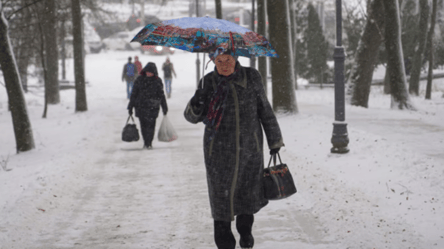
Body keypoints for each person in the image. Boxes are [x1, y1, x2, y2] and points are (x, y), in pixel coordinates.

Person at [183, 47, 284, 249]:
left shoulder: (251, 77)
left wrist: (274, 141)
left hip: (250, 150)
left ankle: (245, 232)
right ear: (213, 61)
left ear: (236, 58)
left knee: (247, 197)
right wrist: (198, 101)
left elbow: (264, 109)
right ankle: (225, 243)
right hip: (218, 153)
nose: (224, 65)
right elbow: (192, 117)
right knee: (221, 200)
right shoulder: (207, 82)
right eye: (219, 61)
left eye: (228, 59)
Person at [128, 62, 168, 149]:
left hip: (152, 108)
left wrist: (164, 107)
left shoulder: (157, 81)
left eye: (150, 72)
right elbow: (134, 94)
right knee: (143, 126)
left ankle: (149, 142)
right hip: (141, 107)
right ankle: (146, 142)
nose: (148, 73)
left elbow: (161, 95)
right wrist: (130, 106)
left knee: (151, 126)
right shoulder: (139, 80)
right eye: (147, 71)